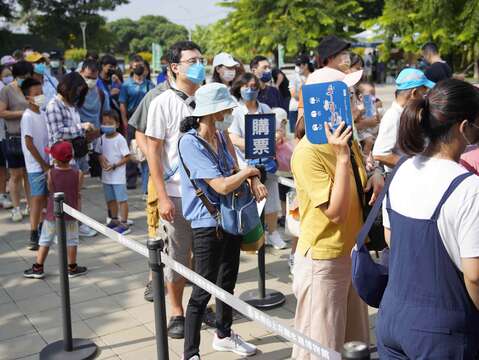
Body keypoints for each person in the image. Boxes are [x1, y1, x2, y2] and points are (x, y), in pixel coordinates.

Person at [376, 78, 479, 358]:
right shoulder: (468, 187)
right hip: (442, 333)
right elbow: (475, 275)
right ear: (464, 128)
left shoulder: (402, 169)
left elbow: (391, 238)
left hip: (392, 317)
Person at [291, 66, 384, 356]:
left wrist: (376, 173)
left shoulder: (346, 138)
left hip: (351, 252)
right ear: (325, 102)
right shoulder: (308, 151)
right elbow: (335, 212)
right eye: (350, 95)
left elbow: (359, 180)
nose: (358, 102)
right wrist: (343, 158)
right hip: (325, 261)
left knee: (353, 342)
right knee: (321, 346)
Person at [179, 83, 265, 360]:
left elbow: (233, 169)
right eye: (226, 108)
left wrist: (250, 176)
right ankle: (190, 353)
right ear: (211, 112)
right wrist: (250, 171)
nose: (229, 112)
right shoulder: (190, 143)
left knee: (227, 282)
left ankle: (224, 335)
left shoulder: (218, 135)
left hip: (230, 219)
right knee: (202, 289)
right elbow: (221, 185)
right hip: (207, 223)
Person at [145, 41, 201, 339]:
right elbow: (153, 153)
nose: (198, 64)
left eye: (200, 59)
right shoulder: (162, 103)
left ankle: (201, 304)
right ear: (174, 67)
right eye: (191, 60)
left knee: (207, 256)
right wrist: (162, 196)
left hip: (209, 194)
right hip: (177, 195)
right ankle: (177, 312)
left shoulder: (207, 98)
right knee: (178, 256)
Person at [229, 72, 287, 250]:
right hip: (246, 164)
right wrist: (255, 143)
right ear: (239, 88)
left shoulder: (266, 109)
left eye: (254, 87)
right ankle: (253, 237)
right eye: (246, 87)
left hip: (267, 163)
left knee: (271, 199)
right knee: (249, 201)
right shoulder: (236, 112)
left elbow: (278, 131)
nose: (250, 90)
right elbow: (232, 138)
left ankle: (273, 233)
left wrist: (275, 137)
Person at [23, 141, 87, 279]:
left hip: (53, 215)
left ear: (55, 158)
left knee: (45, 240)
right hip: (71, 214)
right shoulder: (79, 173)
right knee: (72, 240)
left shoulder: (50, 173)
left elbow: (51, 190)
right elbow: (77, 192)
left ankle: (38, 267)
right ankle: (72, 267)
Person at [45, 72, 98, 238]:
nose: (78, 94)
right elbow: (57, 132)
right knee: (61, 196)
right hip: (62, 158)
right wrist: (81, 127)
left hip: (76, 154)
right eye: (77, 90)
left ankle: (76, 225)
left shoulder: (71, 105)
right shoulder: (54, 105)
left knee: (76, 193)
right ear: (69, 87)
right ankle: (58, 232)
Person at [373, 68, 434, 173]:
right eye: (424, 94)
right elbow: (380, 154)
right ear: (414, 93)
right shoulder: (393, 117)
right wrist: (414, 167)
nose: (425, 98)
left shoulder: (405, 114)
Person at [0, 60, 33, 222]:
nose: (26, 79)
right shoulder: (7, 90)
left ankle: (29, 204)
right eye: (23, 76)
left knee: (28, 173)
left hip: (28, 135)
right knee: (15, 174)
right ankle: (15, 207)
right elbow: (2, 112)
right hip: (13, 137)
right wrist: (23, 112)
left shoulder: (30, 88)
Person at [20, 78, 49, 251]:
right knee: (37, 199)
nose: (40, 96)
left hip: (46, 162)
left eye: (41, 93)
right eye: (36, 94)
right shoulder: (28, 116)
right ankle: (33, 232)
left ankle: (41, 228)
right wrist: (43, 164)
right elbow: (29, 144)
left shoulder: (43, 114)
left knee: (45, 198)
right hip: (35, 165)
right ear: (28, 98)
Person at [119, 54, 153, 189]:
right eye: (136, 64)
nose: (138, 67)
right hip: (131, 118)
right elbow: (122, 105)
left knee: (146, 149)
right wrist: (125, 121)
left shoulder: (149, 84)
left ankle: (146, 181)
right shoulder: (126, 85)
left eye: (141, 65)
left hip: (147, 119)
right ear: (132, 66)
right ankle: (131, 179)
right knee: (132, 149)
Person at [96, 111, 131, 234]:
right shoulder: (101, 139)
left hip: (118, 177)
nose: (106, 125)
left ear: (116, 124)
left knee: (122, 200)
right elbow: (98, 153)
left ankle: (125, 222)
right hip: (106, 176)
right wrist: (101, 159)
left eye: (110, 123)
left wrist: (115, 165)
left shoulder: (120, 139)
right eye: (104, 123)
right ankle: (114, 219)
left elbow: (127, 157)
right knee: (110, 199)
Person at [0, 65, 14, 209]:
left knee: (3, 167)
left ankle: (2, 194)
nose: (8, 76)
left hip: (3, 134)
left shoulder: (7, 89)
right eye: (6, 74)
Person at [289, 54, 313, 133]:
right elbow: (293, 95)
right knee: (297, 134)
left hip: (311, 110)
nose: (297, 67)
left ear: (306, 65)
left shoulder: (314, 76)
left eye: (299, 65)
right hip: (295, 109)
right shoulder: (294, 77)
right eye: (296, 65)